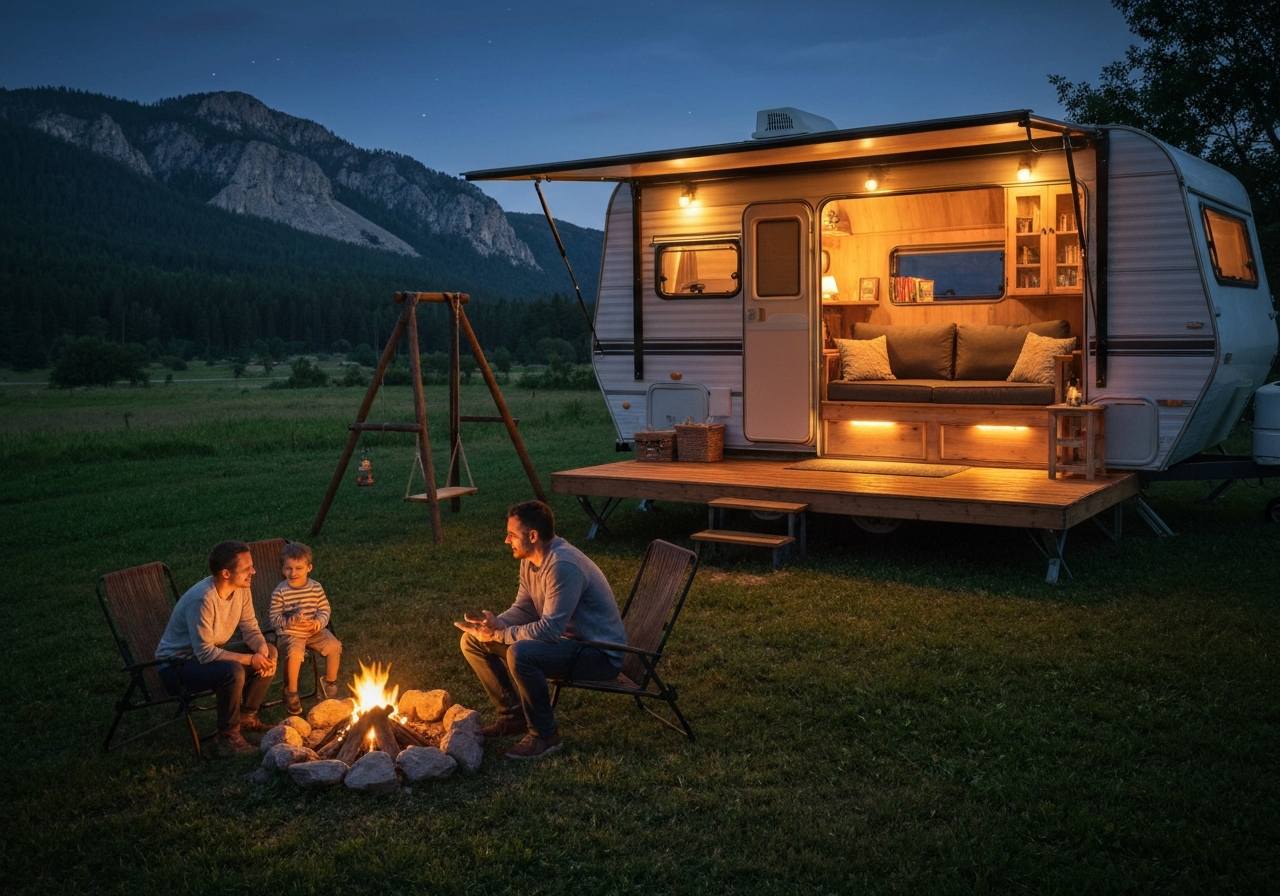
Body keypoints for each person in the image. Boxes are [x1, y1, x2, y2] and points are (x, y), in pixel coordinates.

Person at [458, 500, 626, 760]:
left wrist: (501, 634)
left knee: (522, 654)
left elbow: (549, 630)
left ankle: (545, 735)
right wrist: (493, 625)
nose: (506, 541)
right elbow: (525, 609)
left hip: (599, 655)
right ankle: (513, 715)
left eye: (512, 535)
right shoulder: (531, 559)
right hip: (566, 645)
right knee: (472, 642)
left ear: (533, 536)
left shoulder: (563, 565)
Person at [156, 541, 278, 756]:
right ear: (226, 573)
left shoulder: (241, 588)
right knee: (232, 671)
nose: (253, 571)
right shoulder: (202, 599)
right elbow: (205, 653)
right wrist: (250, 660)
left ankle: (246, 717)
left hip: (206, 655)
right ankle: (228, 737)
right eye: (247, 568)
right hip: (177, 667)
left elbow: (249, 627)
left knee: (269, 651)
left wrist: (260, 649)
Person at [268, 541, 342, 715]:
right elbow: (274, 619)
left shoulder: (315, 587)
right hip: (291, 633)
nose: (293, 573)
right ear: (283, 569)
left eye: (298, 568)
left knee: (334, 646)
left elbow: (324, 609)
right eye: (288, 568)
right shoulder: (280, 592)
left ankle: (329, 682)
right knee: (295, 653)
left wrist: (318, 623)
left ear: (309, 568)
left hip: (313, 630)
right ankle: (291, 692)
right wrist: (289, 621)